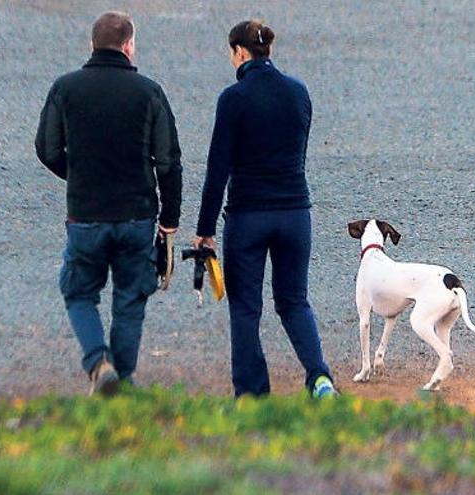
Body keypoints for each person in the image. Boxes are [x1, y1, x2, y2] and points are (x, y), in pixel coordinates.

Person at [35, 11, 182, 396]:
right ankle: (124, 381)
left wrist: (80, 175)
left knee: (80, 293)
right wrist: (169, 221)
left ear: (91, 45)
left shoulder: (65, 88)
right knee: (130, 299)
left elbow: (46, 149)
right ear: (129, 46)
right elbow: (168, 161)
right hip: (137, 217)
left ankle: (99, 364)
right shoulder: (149, 92)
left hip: (85, 215)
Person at [194, 18, 336, 399]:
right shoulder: (298, 92)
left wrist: (205, 228)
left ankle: (252, 396)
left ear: (240, 52)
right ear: (268, 50)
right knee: (293, 300)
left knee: (245, 308)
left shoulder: (233, 99)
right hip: (295, 213)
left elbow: (218, 168)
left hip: (248, 217)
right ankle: (320, 379)